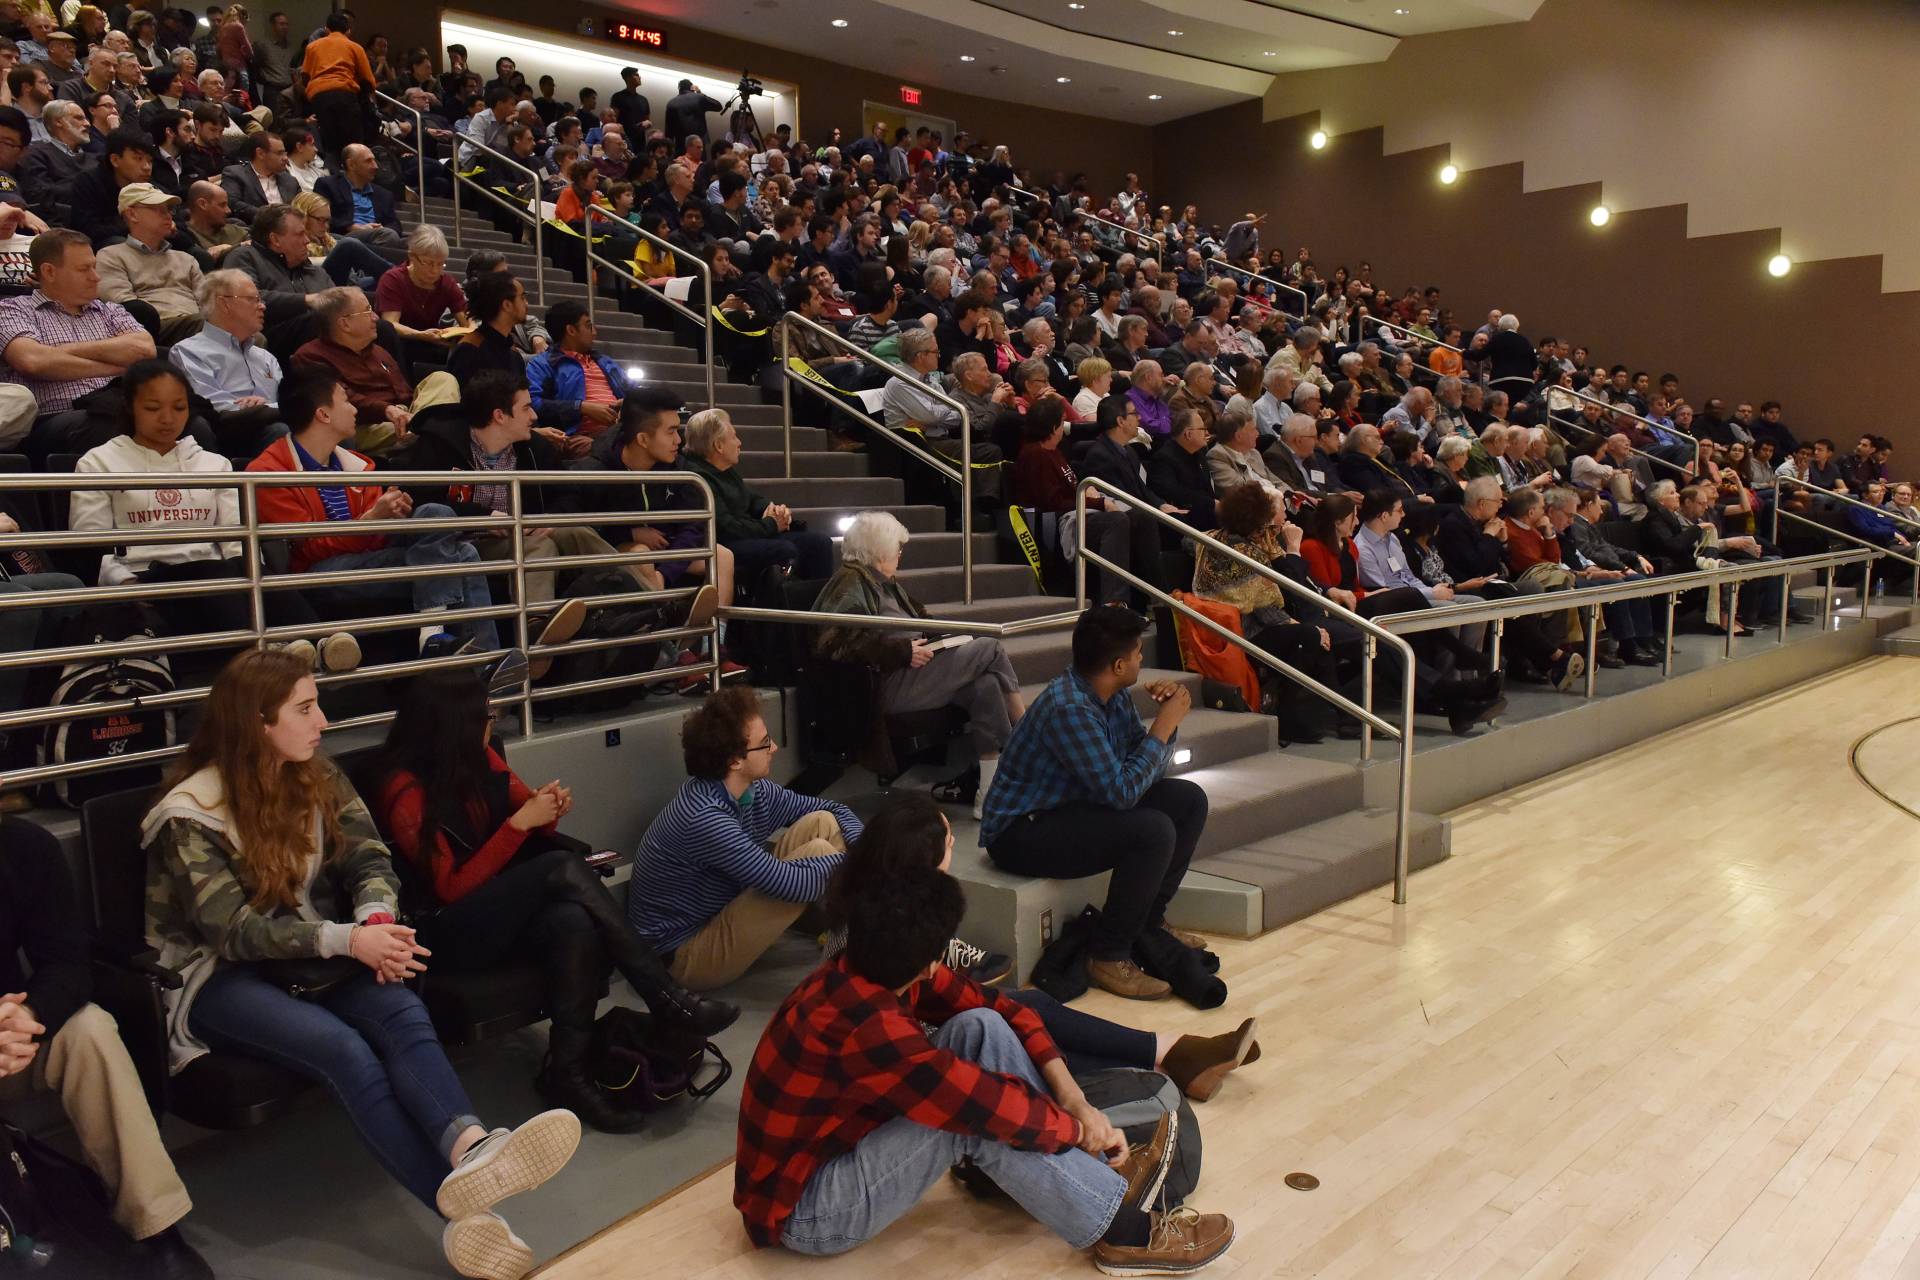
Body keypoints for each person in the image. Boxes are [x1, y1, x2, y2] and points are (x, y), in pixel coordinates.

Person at [141, 648, 582, 1280]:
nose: (322, 721)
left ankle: (471, 1146)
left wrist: (376, 920)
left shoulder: (316, 774)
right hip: (218, 979)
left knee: (401, 1010)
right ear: (258, 722)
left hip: (315, 954)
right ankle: (458, 1203)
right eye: (305, 708)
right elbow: (233, 932)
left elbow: (369, 858)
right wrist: (349, 941)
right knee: (345, 1051)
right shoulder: (189, 812)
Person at [735, 859, 1237, 1273]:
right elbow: (983, 1107)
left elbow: (1010, 1010)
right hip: (808, 1210)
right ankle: (1124, 1234)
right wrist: (1076, 1132)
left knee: (980, 1025)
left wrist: (1075, 1100)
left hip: (838, 1149)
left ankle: (1075, 1181)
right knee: (976, 1122)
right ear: (930, 960)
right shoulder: (866, 1024)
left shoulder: (870, 965)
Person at [369, 667, 738, 1134]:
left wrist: (547, 808)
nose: (492, 723)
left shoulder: (478, 756)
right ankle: (665, 995)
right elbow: (450, 887)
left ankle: (569, 1074)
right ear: (454, 723)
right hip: (442, 932)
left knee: (572, 921)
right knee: (560, 867)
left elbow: (532, 815)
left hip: (495, 910)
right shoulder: (402, 788)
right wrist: (518, 825)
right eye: (485, 715)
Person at [0, 823, 214, 1279]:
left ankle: (155, 1227)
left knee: (88, 1029)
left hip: (9, 1039)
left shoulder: (22, 846)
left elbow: (67, 963)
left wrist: (29, 1014)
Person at [980, 606, 1211, 1001]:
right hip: (1022, 831)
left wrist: (1163, 726)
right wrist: (1164, 726)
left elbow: (1140, 770)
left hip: (1071, 807)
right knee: (1152, 831)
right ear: (1119, 665)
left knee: (1188, 800)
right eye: (1138, 653)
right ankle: (1108, 954)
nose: (1142, 659)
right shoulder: (1069, 708)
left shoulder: (1110, 693)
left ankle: (1149, 923)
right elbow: (1121, 793)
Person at [246, 365, 503, 655]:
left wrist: (393, 514)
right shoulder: (269, 473)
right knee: (463, 555)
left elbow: (375, 540)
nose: (354, 409)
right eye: (346, 400)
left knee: (436, 514)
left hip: (367, 558)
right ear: (323, 414)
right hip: (317, 574)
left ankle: (437, 636)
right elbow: (309, 547)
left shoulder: (357, 464)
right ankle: (476, 658)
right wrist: (371, 520)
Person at [627, 684, 863, 990]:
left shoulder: (753, 789)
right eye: (764, 744)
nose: (774, 748)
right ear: (734, 760)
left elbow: (833, 808)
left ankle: (850, 934)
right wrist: (862, 863)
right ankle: (859, 945)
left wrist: (862, 850)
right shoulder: (704, 817)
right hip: (682, 957)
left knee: (823, 822)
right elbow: (788, 883)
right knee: (818, 854)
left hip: (721, 914)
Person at [815, 511, 1026, 813]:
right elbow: (834, 642)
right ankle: (1029, 737)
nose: (900, 554)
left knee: (986, 685)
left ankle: (989, 793)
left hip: (913, 674)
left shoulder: (884, 582)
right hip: (885, 686)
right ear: (878, 550)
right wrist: (901, 652)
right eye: (897, 548)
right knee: (990, 648)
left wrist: (947, 639)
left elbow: (922, 624)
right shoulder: (851, 580)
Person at [1193, 482, 1344, 744]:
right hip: (1243, 632)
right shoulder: (1247, 552)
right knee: (1310, 637)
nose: (1277, 520)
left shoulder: (1213, 538)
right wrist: (1297, 624)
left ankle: (1337, 717)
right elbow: (1265, 606)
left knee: (1314, 639)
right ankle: (1295, 716)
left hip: (1228, 626)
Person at [1, 227, 153, 456]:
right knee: (105, 423)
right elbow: (33, 362)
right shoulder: (13, 310)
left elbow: (145, 350)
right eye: (84, 269)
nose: (96, 276)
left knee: (193, 424)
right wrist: (117, 367)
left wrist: (57, 353)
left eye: (94, 267)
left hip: (117, 404)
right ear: (49, 272)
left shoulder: (110, 310)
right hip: (54, 418)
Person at [291, 285, 459, 456]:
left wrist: (407, 411)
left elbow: (404, 391)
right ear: (345, 323)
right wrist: (387, 409)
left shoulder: (378, 351)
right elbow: (341, 399)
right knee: (436, 426)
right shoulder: (310, 357)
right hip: (361, 426)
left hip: (402, 416)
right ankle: (427, 431)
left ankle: (422, 430)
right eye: (367, 311)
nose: (375, 317)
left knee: (441, 378)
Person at [681, 406, 833, 582]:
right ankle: (779, 597)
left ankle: (821, 598)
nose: (739, 443)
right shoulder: (698, 478)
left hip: (747, 533)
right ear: (719, 446)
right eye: (734, 437)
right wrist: (771, 524)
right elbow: (727, 528)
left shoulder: (724, 470)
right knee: (784, 550)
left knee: (819, 542)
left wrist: (773, 509)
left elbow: (751, 498)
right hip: (723, 543)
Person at [94, 178, 203, 341]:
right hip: (152, 329)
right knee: (212, 326)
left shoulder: (186, 259)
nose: (169, 216)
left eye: (169, 210)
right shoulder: (110, 256)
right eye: (159, 210)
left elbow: (207, 303)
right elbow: (124, 307)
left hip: (195, 324)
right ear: (132, 214)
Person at [525, 298, 632, 447]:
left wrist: (628, 402)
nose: (594, 333)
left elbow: (635, 391)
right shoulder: (543, 364)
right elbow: (533, 403)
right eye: (588, 326)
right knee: (597, 447)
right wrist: (580, 407)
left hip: (620, 429)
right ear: (571, 330)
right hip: (575, 436)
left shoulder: (605, 361)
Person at [299, 10, 374, 160]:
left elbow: (305, 76)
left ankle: (333, 170)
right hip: (345, 94)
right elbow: (368, 80)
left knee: (329, 142)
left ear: (327, 29)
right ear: (348, 30)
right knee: (352, 143)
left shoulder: (312, 47)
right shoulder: (355, 47)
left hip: (319, 96)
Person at [314, 141, 404, 258]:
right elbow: (318, 218)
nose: (376, 166)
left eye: (374, 160)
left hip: (380, 237)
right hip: (344, 236)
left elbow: (395, 224)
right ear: (351, 164)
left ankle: (368, 257)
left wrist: (382, 228)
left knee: (416, 243)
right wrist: (351, 227)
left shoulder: (384, 194)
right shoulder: (328, 185)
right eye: (368, 161)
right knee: (389, 237)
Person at [218, 127, 295, 222]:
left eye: (285, 153)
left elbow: (301, 207)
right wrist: (270, 218)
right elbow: (233, 203)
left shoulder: (290, 180)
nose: (285, 158)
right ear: (260, 153)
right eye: (279, 153)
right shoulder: (235, 174)